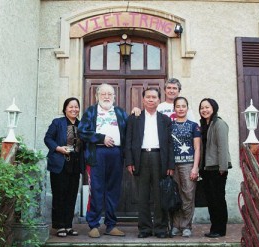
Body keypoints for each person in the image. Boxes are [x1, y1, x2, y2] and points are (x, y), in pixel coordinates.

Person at [78, 83, 128, 238]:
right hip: (97, 153)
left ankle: (111, 225)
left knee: (113, 190)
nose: (106, 97)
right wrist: (101, 138)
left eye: (109, 94)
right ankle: (93, 225)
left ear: (114, 97)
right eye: (103, 94)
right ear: (97, 96)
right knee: (97, 189)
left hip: (116, 154)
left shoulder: (120, 112)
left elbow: (130, 130)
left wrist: (137, 113)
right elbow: (82, 132)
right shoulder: (91, 112)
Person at [125, 87, 175, 238]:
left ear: (159, 100)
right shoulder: (134, 118)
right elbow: (128, 141)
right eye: (148, 97)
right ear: (143, 99)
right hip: (141, 158)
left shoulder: (165, 119)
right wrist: (129, 161)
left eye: (154, 97)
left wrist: (170, 165)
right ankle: (144, 229)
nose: (151, 99)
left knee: (160, 196)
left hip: (160, 158)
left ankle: (160, 228)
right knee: (143, 196)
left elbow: (170, 144)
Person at [44, 97, 84, 237]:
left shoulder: (82, 125)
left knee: (71, 196)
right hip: (60, 163)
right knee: (59, 195)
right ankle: (59, 226)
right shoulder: (58, 123)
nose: (74, 109)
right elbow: (48, 138)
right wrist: (58, 148)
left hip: (75, 164)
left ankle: (68, 225)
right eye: (70, 107)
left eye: (76, 107)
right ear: (65, 109)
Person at [198, 98, 232, 238]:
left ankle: (220, 229)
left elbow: (223, 147)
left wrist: (223, 168)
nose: (204, 110)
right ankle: (214, 228)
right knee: (211, 200)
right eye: (202, 108)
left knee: (218, 199)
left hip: (218, 168)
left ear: (214, 108)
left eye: (207, 107)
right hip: (206, 169)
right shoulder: (204, 124)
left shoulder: (219, 124)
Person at [171, 97, 201, 237]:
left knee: (188, 195)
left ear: (187, 108)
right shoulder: (169, 126)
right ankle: (175, 225)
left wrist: (195, 167)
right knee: (175, 195)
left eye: (183, 106)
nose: (181, 108)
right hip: (173, 165)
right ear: (174, 109)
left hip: (188, 164)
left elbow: (197, 148)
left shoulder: (194, 126)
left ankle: (186, 226)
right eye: (178, 106)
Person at [131, 78, 196, 122]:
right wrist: (137, 110)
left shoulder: (186, 107)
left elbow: (194, 125)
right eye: (169, 88)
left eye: (174, 88)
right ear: (164, 91)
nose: (171, 91)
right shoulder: (158, 107)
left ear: (179, 91)